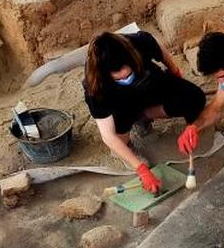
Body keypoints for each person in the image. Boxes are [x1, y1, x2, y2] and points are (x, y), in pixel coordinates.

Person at [83, 30, 205, 193]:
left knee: (193, 97)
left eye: (128, 74)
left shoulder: (138, 43)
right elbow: (108, 136)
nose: (125, 78)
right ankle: (131, 128)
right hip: (121, 105)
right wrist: (141, 169)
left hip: (148, 84)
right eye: (118, 78)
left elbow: (159, 50)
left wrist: (175, 72)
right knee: (119, 141)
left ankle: (143, 116)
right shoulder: (96, 86)